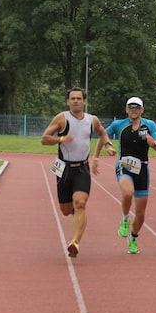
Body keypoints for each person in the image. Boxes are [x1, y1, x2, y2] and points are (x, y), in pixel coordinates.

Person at [42, 87, 116, 258]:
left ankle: (75, 242)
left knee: (80, 202)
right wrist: (61, 138)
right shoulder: (62, 118)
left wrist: (108, 145)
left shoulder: (92, 120)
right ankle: (78, 216)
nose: (76, 101)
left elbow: (103, 133)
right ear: (68, 101)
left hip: (82, 168)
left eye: (79, 98)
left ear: (84, 101)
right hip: (63, 169)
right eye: (72, 99)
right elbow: (44, 139)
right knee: (67, 210)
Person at [95, 96, 156, 254]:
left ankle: (133, 238)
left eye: (137, 107)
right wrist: (99, 154)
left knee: (140, 213)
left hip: (143, 169)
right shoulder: (119, 124)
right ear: (126, 109)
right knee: (127, 192)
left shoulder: (150, 125)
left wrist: (152, 143)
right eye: (131, 107)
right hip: (124, 165)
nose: (134, 110)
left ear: (142, 110)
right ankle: (125, 218)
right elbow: (103, 135)